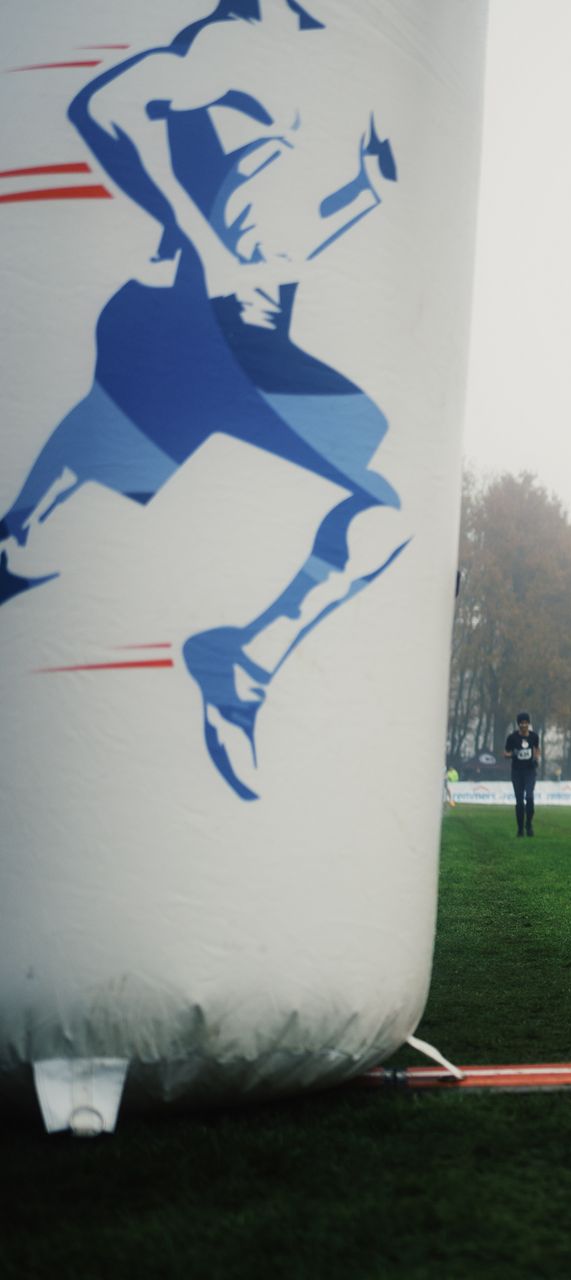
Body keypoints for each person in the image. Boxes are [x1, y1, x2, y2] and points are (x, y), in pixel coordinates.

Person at [0, 2, 408, 801]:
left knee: (36, 531)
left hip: (225, 340)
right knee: (395, 500)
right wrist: (202, 241)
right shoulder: (235, 39)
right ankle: (238, 666)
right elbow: (101, 106)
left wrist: (363, 195)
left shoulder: (314, 61)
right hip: (196, 328)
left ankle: (240, 666)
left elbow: (277, 249)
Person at [503, 712, 540, 838]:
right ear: (518, 724)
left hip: (530, 771)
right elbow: (505, 753)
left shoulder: (534, 737)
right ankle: (520, 829)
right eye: (521, 723)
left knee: (529, 798)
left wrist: (536, 758)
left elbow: (536, 749)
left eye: (526, 722)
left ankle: (528, 824)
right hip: (517, 772)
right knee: (519, 801)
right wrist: (512, 754)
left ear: (528, 724)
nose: (524, 725)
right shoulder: (512, 738)